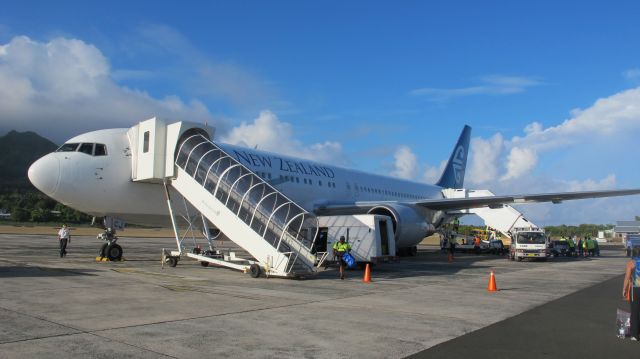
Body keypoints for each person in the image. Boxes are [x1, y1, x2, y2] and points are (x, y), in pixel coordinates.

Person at [622, 247, 640, 340]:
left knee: (635, 311)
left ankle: (635, 334)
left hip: (635, 289)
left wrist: (624, 289)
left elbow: (627, 277)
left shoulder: (631, 263)